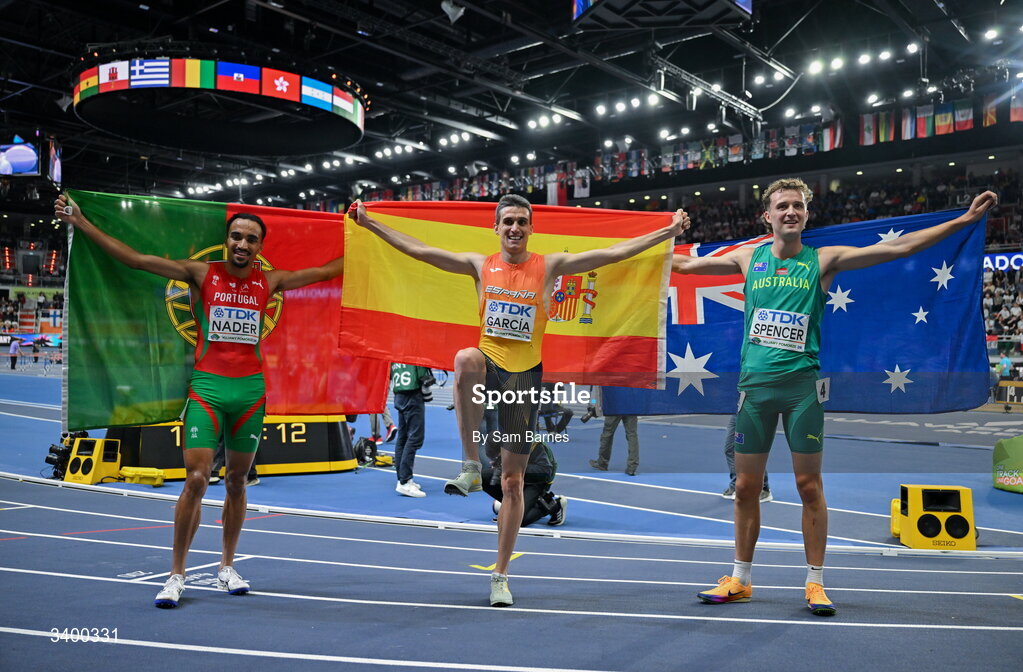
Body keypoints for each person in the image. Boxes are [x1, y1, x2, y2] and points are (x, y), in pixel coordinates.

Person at [672, 178, 996, 617]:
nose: (790, 212)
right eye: (782, 206)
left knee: (809, 487)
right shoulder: (748, 259)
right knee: (746, 487)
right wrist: (663, 235)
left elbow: (900, 249)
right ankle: (741, 579)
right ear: (766, 216)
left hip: (802, 391)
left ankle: (815, 582)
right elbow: (682, 268)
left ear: (806, 215)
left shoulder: (824, 260)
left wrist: (964, 220)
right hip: (754, 391)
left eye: (797, 206)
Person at [351, 194, 685, 607]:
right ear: (496, 227)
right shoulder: (480, 264)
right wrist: (369, 224)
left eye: (522, 222)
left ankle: (500, 575)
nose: (514, 228)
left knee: (512, 482)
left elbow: (614, 252)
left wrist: (666, 232)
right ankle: (471, 464)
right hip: (488, 364)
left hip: (524, 380)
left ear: (531, 229)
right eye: (507, 221)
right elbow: (420, 251)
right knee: (465, 357)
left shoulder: (550, 266)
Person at [55, 193, 343, 609]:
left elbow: (325, 272)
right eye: (236, 237)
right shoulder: (200, 273)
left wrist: (370, 238)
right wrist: (80, 223)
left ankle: (226, 566)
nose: (242, 244)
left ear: (260, 246)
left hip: (250, 393)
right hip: (208, 389)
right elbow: (136, 260)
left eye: (251, 239)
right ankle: (177, 573)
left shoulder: (272, 280)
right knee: (196, 478)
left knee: (237, 482)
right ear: (227, 240)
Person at [480, 406, 566, 527]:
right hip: (514, 474)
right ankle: (509, 504)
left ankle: (552, 505)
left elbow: (544, 471)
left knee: (519, 521)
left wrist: (514, 469)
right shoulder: (500, 437)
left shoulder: (532, 444)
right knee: (482, 476)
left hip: (536, 481)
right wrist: (498, 464)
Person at [390, 362, 434, 497]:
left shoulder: (396, 353)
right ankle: (405, 481)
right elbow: (423, 378)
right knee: (415, 438)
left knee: (403, 438)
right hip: (413, 395)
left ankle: (402, 478)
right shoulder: (414, 353)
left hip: (399, 394)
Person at [722, 413, 771, 502]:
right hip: (736, 410)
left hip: (752, 410)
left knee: (752, 451)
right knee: (730, 449)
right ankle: (736, 485)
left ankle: (764, 489)